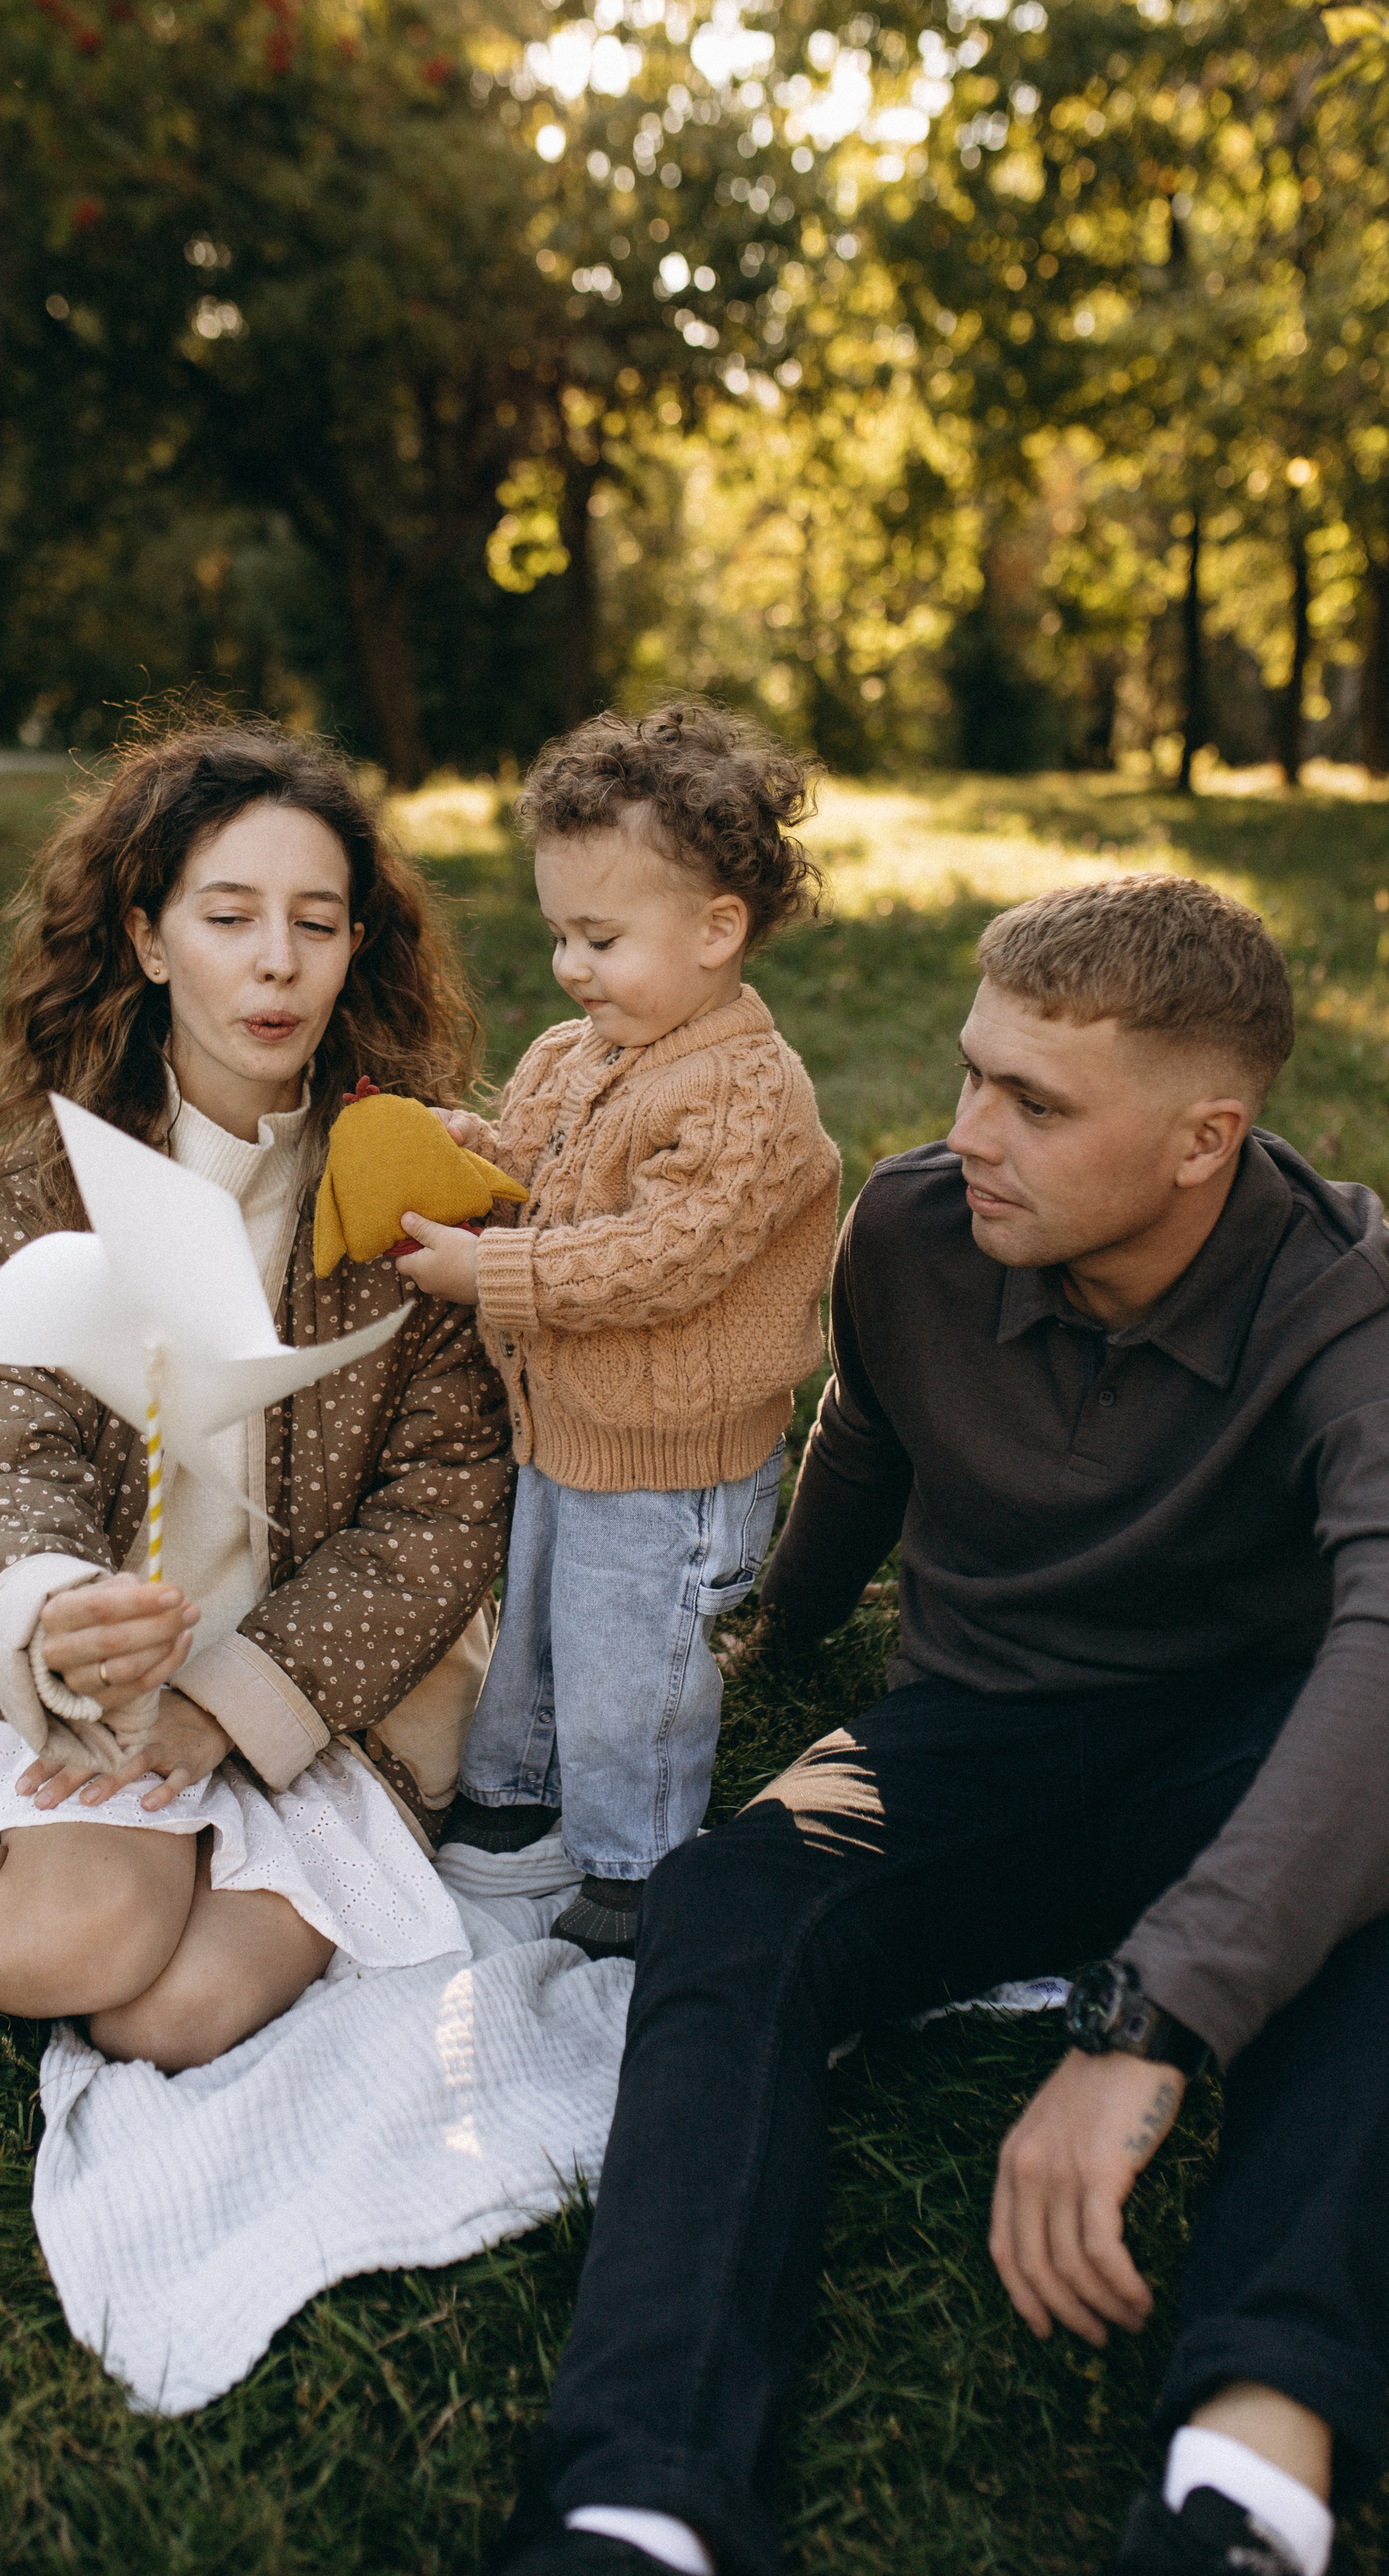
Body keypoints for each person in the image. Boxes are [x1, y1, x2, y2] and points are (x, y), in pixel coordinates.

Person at [483, 872, 1389, 2576]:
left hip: (1239, 1754)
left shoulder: (1362, 1307)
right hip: (968, 1736)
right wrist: (786, 1624)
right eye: (970, 1074)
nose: (969, 1135)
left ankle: (1248, 2479)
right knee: (725, 1899)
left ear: (1203, 1139)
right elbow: (865, 1441)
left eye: (1035, 1103)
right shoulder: (913, 1227)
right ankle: (637, 2498)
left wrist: (1149, 2021)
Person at [0, 721, 511, 2066]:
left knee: (171, 2015)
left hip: (325, 1690)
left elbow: (445, 1505)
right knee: (78, 1942)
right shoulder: (50, 1196)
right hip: (102, 1696)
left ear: (355, 948)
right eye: (229, 916)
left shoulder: (406, 1192)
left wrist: (234, 1703)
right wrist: (50, 1612)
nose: (276, 961)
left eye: (316, 923)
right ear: (149, 940)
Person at [393, 702, 841, 1958]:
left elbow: (664, 1256)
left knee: (631, 1661)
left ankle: (637, 1862)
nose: (572, 967)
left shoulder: (746, 1090)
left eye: (601, 938)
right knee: (538, 1618)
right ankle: (513, 1794)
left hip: (673, 1457)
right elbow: (539, 1166)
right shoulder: (575, 1051)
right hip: (566, 1422)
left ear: (717, 931)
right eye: (559, 936)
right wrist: (477, 1156)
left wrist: (489, 1272)